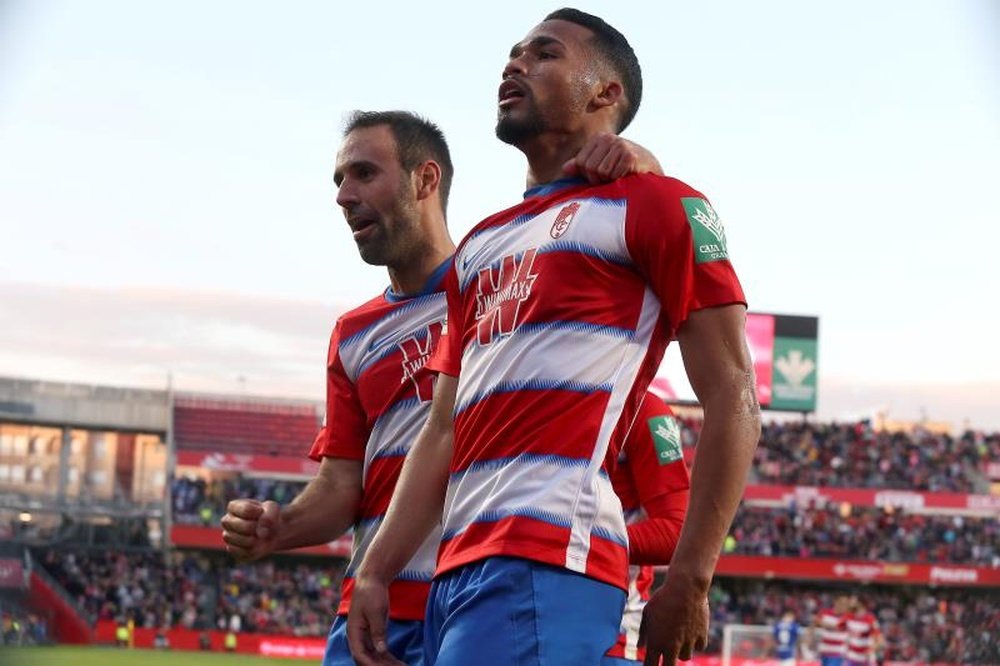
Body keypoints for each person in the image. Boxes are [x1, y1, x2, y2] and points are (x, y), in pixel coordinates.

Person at [347, 8, 760, 666]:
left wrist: (691, 577)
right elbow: (443, 429)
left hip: (549, 559)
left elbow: (734, 395)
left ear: (605, 94)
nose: (515, 64)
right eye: (513, 54)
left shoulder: (657, 204)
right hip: (456, 574)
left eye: (545, 54)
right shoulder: (480, 244)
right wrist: (377, 568)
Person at [220, 110, 664, 665]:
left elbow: (620, 245)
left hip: (485, 590)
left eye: (362, 173)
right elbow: (340, 488)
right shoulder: (352, 336)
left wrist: (640, 162)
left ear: (425, 180)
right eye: (338, 180)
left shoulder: (506, 282)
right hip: (377, 604)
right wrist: (279, 526)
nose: (343, 195)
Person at [604, 394, 690, 665]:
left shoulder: (646, 409)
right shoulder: (512, 389)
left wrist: (569, 543)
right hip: (511, 612)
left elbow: (674, 532)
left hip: (611, 636)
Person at [844, 596, 881, 666]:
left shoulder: (871, 619)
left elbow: (880, 641)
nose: (850, 603)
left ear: (860, 604)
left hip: (866, 660)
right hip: (851, 658)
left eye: (853, 601)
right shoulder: (848, 617)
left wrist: (871, 649)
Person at [812, 595, 848, 666]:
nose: (843, 606)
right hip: (824, 651)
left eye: (846, 604)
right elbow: (816, 621)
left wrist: (825, 624)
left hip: (837, 652)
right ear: (835, 602)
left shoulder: (847, 617)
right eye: (842, 603)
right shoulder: (825, 612)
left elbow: (838, 627)